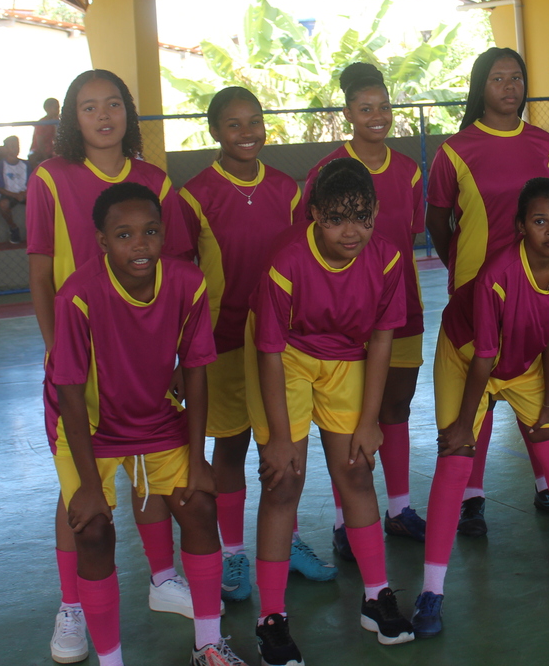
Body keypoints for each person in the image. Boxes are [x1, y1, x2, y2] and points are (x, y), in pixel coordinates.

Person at [410, 178, 549, 641]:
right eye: (540, 221)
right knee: (455, 459)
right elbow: (484, 358)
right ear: (520, 227)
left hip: (523, 359)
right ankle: (431, 591)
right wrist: (462, 426)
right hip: (466, 355)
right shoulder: (497, 275)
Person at [25, 69, 196, 665]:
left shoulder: (155, 180)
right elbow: (41, 271)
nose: (104, 116)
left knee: (149, 467)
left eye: (114, 104)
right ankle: (71, 605)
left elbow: (176, 268)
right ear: (73, 119)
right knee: (80, 490)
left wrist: (177, 353)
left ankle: (162, 578)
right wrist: (59, 351)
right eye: (89, 106)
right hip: (81, 363)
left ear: (129, 112)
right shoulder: (51, 178)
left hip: (145, 358)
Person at [47, 182, 244, 666]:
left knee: (199, 505)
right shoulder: (78, 295)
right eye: (124, 235)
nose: (140, 244)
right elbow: (69, 391)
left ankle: (208, 645)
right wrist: (88, 485)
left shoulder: (187, 283)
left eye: (151, 231)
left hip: (156, 419)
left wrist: (197, 459)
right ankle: (108, 656)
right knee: (93, 529)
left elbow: (195, 370)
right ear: (102, 241)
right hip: (90, 428)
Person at [246, 158, 416, 666]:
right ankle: (271, 619)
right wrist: (280, 437)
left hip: (345, 357)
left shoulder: (387, 258)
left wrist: (369, 422)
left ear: (376, 211)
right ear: (315, 214)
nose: (351, 231)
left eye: (362, 217)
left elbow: (382, 340)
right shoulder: (286, 261)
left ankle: (376, 597)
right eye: (337, 218)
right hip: (286, 357)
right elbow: (269, 351)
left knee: (356, 472)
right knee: (284, 481)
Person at [178, 86, 336, 604]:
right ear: (214, 131)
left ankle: (286, 542)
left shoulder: (287, 189)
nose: (247, 132)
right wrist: (179, 353)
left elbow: (301, 258)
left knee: (283, 445)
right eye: (234, 123)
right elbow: (180, 278)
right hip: (221, 343)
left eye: (255, 121)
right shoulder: (195, 195)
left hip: (278, 342)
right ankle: (233, 554)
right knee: (230, 447)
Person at [425, 47, 549, 535]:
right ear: (480, 86)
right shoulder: (455, 150)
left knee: (530, 382)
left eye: (517, 77)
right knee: (476, 391)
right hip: (475, 291)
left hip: (534, 290)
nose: (510, 86)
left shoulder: (545, 144)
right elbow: (438, 220)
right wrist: (463, 272)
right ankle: (472, 496)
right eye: (499, 78)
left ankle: (547, 485)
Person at [303, 63, 427, 555]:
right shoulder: (326, 172)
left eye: (384, 107)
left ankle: (399, 510)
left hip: (403, 309)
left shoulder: (410, 170)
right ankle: (344, 523)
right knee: (346, 420)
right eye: (365, 108)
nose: (377, 116)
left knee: (396, 407)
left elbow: (409, 238)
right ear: (348, 113)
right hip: (347, 318)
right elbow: (312, 244)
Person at [0, 136, 29, 244]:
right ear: (5, 149)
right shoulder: (0, 165)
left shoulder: (26, 164)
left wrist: (25, 193)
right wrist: (15, 195)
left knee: (41, 201)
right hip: (8, 193)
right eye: (12, 146)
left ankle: (36, 229)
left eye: (17, 146)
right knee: (4, 204)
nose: (15, 149)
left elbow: (32, 183)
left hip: (24, 193)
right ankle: (13, 228)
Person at [30, 97, 60, 170]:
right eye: (55, 108)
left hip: (50, 153)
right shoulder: (42, 123)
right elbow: (40, 142)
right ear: (47, 109)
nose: (58, 110)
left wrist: (56, 126)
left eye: (58, 108)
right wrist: (45, 158)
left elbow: (57, 139)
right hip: (38, 153)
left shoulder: (56, 122)